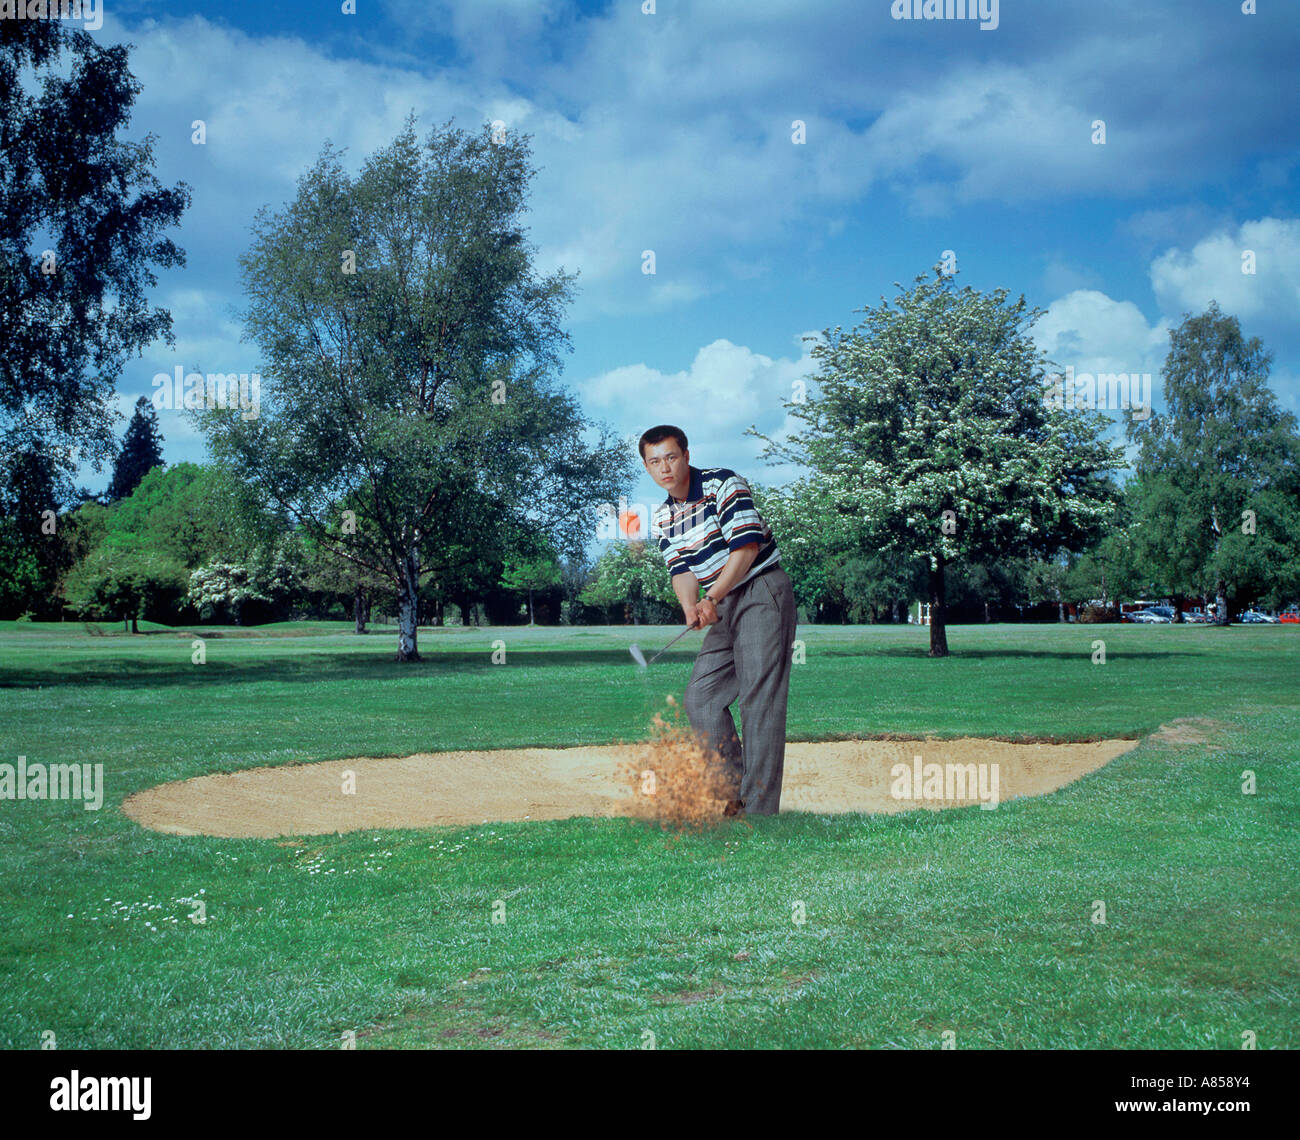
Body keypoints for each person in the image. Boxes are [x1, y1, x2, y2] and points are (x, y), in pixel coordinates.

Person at [640, 424, 798, 817]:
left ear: (687, 456)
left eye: (671, 457)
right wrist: (691, 607)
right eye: (655, 461)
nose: (665, 468)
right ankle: (733, 795)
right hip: (722, 602)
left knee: (758, 700)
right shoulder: (662, 519)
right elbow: (681, 570)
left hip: (760, 590)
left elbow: (745, 549)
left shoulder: (723, 484)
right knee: (702, 698)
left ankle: (758, 812)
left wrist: (712, 597)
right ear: (647, 467)